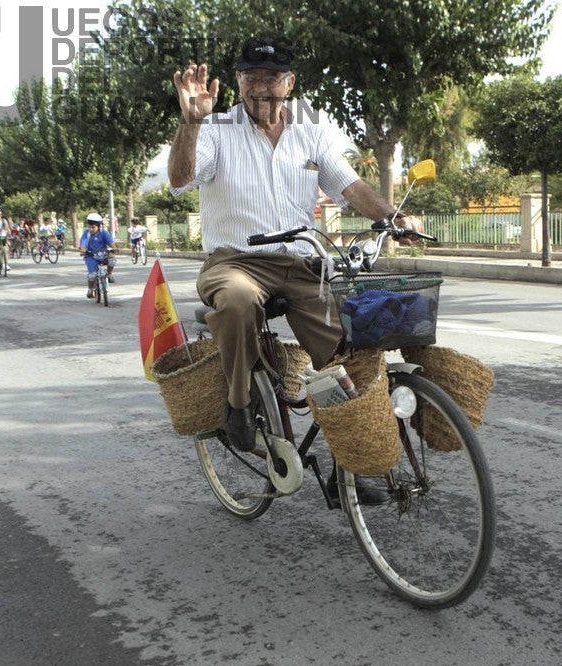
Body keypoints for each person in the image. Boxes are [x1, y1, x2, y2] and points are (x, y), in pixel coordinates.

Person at [168, 38, 423, 457]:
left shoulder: (312, 129)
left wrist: (392, 217)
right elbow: (181, 179)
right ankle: (238, 403)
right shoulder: (215, 127)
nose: (261, 87)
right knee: (236, 301)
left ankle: (361, 456)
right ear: (238, 81)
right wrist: (191, 121)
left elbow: (350, 185)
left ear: (289, 83)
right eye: (252, 77)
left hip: (303, 262)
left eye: (271, 78)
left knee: (349, 351)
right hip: (235, 262)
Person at [78, 212, 116, 298]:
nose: (91, 229)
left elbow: (111, 243)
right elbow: (83, 244)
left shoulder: (104, 233)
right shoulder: (86, 233)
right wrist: (83, 250)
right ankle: (90, 289)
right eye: (90, 226)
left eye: (93, 227)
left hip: (103, 255)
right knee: (92, 275)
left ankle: (109, 273)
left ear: (99, 226)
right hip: (90, 256)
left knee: (112, 260)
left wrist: (115, 249)